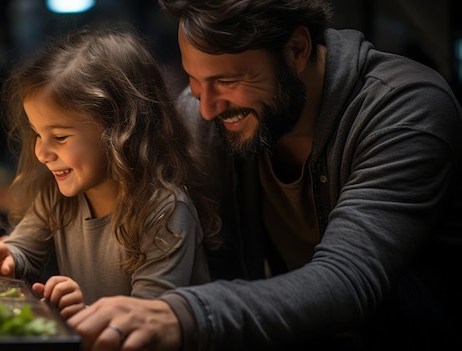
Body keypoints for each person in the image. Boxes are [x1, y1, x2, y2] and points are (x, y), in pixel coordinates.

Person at [65, 0, 462, 350]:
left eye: (227, 80)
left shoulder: (406, 110)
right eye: (194, 79)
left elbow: (348, 280)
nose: (206, 108)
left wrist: (181, 315)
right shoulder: (208, 116)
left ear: (296, 49)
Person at [0, 27, 220, 319]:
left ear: (120, 130)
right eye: (36, 134)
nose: (42, 153)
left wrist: (80, 309)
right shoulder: (57, 194)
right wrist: (4, 255)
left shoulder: (165, 211)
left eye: (60, 137)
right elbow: (24, 249)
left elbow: (145, 322)